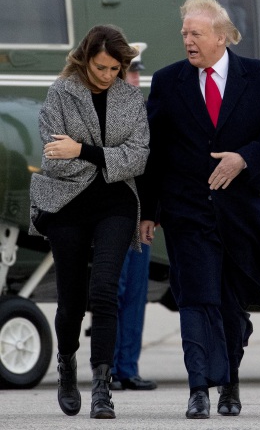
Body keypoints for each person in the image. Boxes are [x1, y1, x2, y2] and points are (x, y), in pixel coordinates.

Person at [138, 0, 260, 419]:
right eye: (184, 33)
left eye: (196, 33)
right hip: (188, 211)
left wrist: (244, 158)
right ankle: (198, 390)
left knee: (229, 305)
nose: (188, 41)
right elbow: (155, 150)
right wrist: (149, 210)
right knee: (196, 299)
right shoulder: (170, 81)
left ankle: (230, 383)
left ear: (222, 37)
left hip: (240, 211)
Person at [29, 25, 149, 419]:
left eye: (116, 68)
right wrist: (107, 156)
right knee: (71, 302)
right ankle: (67, 366)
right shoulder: (60, 93)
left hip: (116, 204)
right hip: (67, 203)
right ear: (85, 59)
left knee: (105, 291)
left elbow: (138, 158)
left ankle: (102, 387)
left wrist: (81, 148)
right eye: (101, 67)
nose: (108, 75)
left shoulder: (131, 98)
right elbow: (52, 159)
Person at [109, 42, 158, 392]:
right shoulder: (100, 111)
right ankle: (107, 366)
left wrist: (151, 216)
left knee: (135, 294)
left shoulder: (144, 111)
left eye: (137, 71)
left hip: (139, 217)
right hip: (110, 216)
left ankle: (128, 367)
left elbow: (152, 171)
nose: (137, 77)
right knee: (112, 290)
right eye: (131, 71)